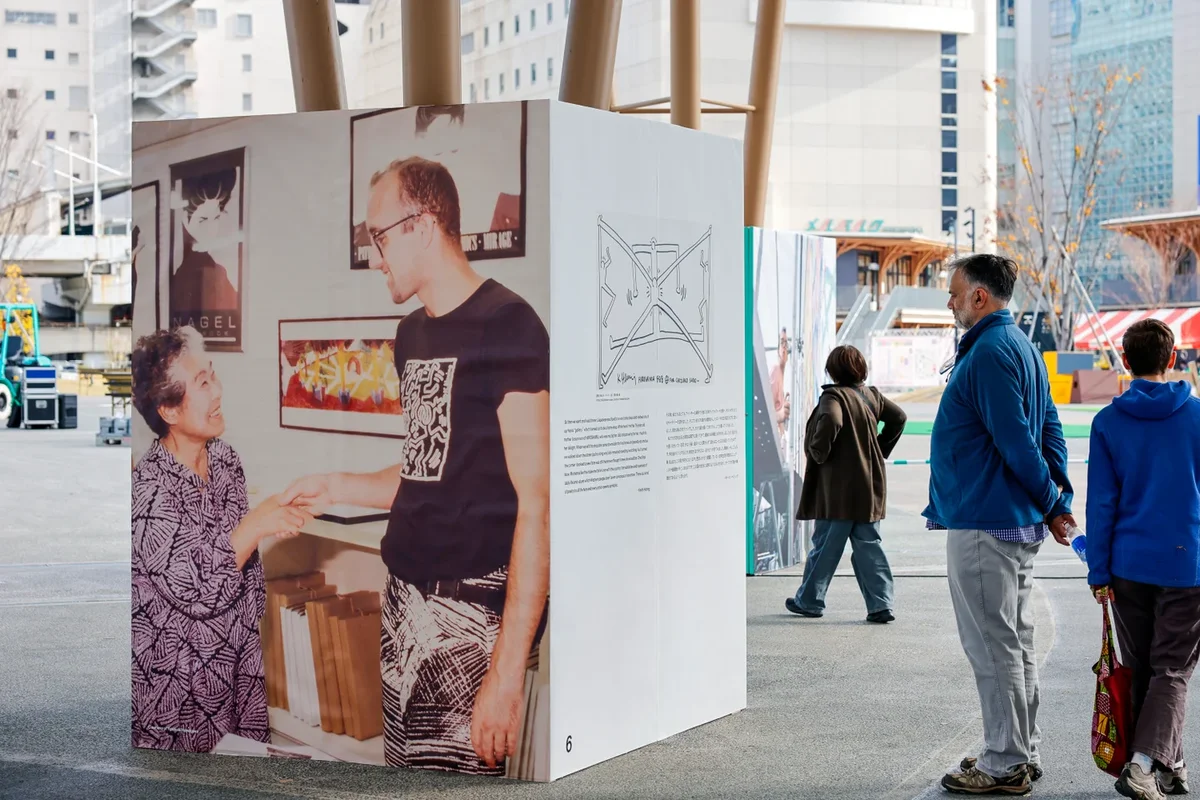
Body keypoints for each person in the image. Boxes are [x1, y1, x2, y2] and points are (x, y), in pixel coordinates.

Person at [282, 155, 550, 776]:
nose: (374, 254)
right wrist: (335, 485)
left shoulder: (510, 326)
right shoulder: (412, 335)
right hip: (402, 600)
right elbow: (427, 472)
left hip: (467, 622)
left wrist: (506, 676)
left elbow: (537, 506)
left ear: (424, 224)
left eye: (378, 236)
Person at [926, 254, 1075, 796]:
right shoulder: (1022, 347)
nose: (949, 301)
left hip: (987, 522)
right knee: (1013, 642)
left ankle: (1004, 762)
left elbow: (1016, 443)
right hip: (1009, 521)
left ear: (979, 298)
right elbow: (1050, 428)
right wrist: (1057, 497)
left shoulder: (988, 351)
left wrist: (1054, 503)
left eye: (954, 293)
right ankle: (1020, 751)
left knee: (994, 647)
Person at [130, 326, 312, 752]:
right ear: (170, 411)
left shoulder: (227, 460)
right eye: (203, 383)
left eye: (214, 376)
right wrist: (257, 524)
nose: (218, 391)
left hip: (239, 672)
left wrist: (271, 521)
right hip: (176, 691)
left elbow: (241, 570)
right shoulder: (148, 491)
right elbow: (198, 591)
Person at [1086, 319, 1200, 800]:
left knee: (1144, 668)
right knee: (1171, 670)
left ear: (1125, 363)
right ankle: (1141, 764)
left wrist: (1098, 571)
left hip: (1127, 564)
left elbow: (1101, 502)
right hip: (1187, 562)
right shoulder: (1196, 416)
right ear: (1172, 359)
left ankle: (1168, 763)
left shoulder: (1107, 422)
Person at [785, 345, 906, 622]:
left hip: (838, 491)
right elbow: (899, 417)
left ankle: (810, 600)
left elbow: (831, 419)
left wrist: (819, 451)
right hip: (869, 488)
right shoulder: (872, 396)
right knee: (869, 545)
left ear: (833, 371)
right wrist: (880, 446)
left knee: (826, 545)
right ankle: (881, 605)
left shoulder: (833, 396)